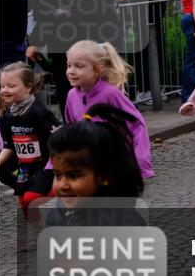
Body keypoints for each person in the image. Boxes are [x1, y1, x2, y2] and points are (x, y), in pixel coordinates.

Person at [46, 105, 170, 276]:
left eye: (75, 175)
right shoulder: (58, 215)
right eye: (58, 175)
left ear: (104, 177)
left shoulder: (125, 224)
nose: (63, 185)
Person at [25, 0, 120, 117]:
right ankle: (73, 138)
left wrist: (105, 55)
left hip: (93, 60)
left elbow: (110, 24)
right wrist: (35, 43)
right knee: (67, 101)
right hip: (63, 60)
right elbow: (43, 22)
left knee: (97, 106)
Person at [62, 40, 154, 179]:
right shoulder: (71, 95)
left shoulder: (110, 94)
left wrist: (141, 163)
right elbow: (70, 129)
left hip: (114, 163)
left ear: (98, 70)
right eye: (69, 65)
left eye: (79, 66)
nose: (71, 71)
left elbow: (137, 125)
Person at [0, 62, 58, 214]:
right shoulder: (11, 112)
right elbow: (10, 144)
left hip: (45, 165)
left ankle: (62, 192)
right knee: (23, 203)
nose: (4, 90)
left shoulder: (38, 111)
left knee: (30, 199)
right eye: (2, 86)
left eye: (11, 86)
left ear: (28, 87)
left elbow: (59, 135)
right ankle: (35, 235)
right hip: (25, 167)